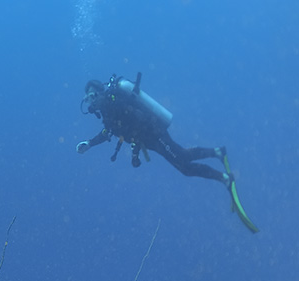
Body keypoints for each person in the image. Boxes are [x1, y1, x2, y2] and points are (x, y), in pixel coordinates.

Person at [77, 73, 258, 232]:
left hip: (154, 133)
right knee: (183, 162)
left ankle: (225, 178)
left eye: (92, 96)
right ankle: (218, 153)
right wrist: (89, 144)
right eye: (88, 99)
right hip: (149, 141)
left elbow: (137, 123)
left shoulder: (115, 102)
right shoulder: (108, 112)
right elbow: (107, 132)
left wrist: (135, 150)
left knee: (183, 159)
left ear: (100, 92)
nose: (91, 102)